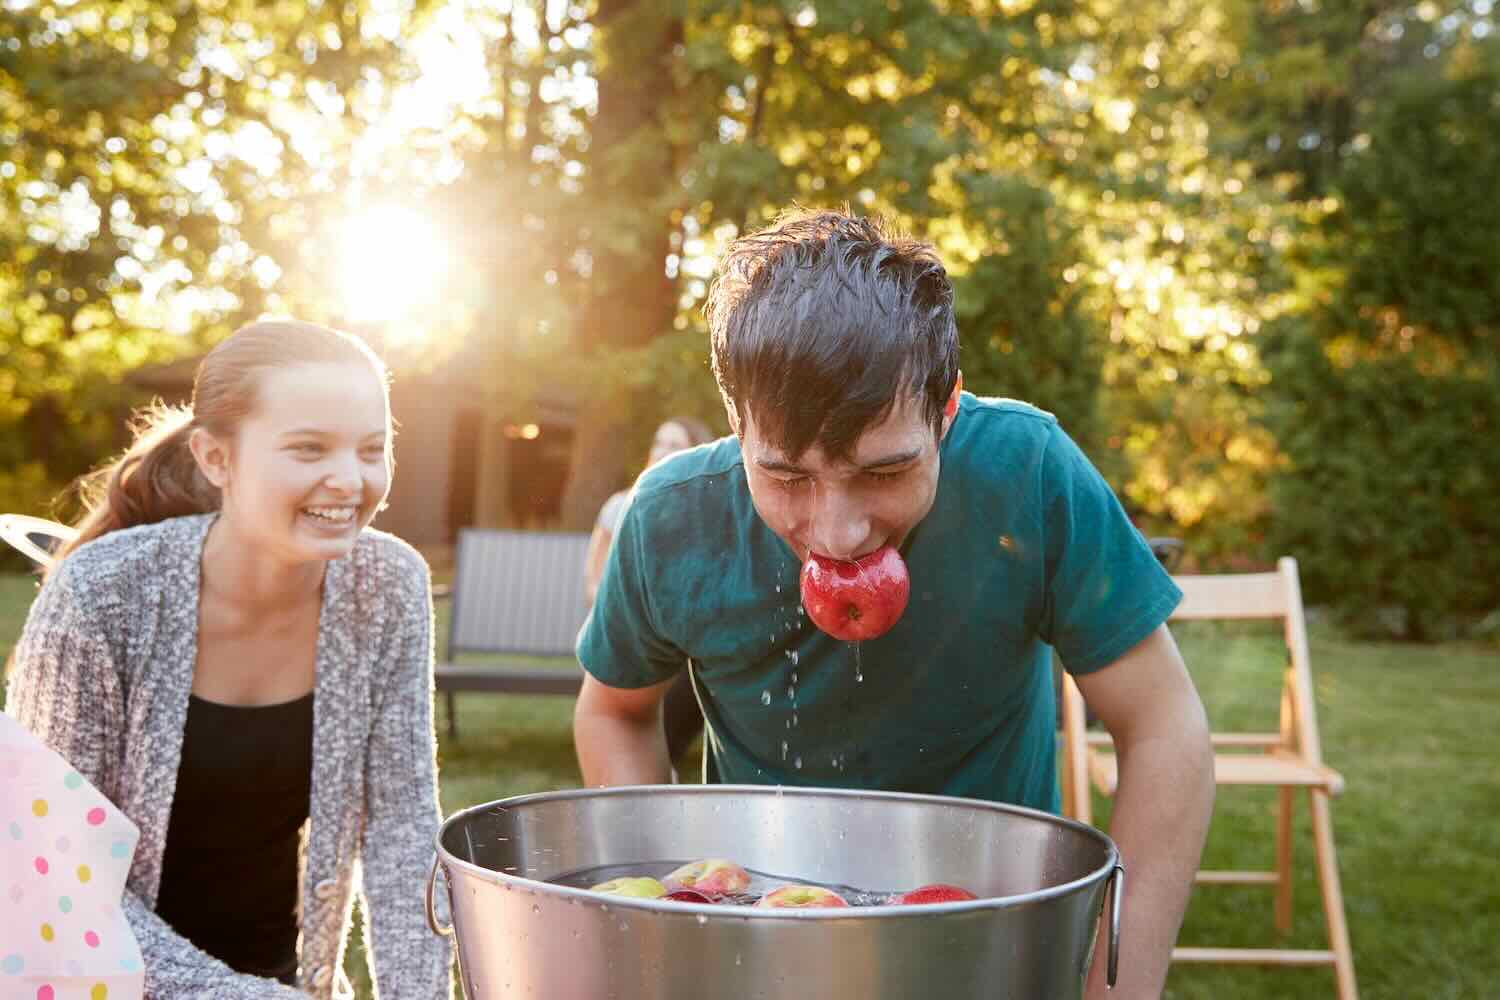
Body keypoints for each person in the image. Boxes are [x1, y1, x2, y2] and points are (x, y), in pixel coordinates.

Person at [572, 211, 1214, 999]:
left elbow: (1164, 727)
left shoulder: (1031, 472)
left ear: (945, 411)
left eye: (884, 472)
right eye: (786, 476)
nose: (837, 534)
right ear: (737, 425)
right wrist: (672, 912)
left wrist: (1114, 986)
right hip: (756, 948)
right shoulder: (670, 517)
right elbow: (613, 711)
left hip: (987, 940)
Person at [5, 320, 452, 999]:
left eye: (371, 449)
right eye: (308, 449)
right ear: (216, 458)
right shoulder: (101, 595)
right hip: (89, 981)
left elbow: (402, 829)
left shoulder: (388, 585)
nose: (350, 479)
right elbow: (50, 872)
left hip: (276, 979)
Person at [582, 416, 716, 766]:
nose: (662, 450)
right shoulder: (621, 506)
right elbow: (593, 583)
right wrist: (631, 608)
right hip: (627, 625)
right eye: (659, 442)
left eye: (674, 445)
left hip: (686, 634)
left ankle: (664, 755)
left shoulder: (710, 512)